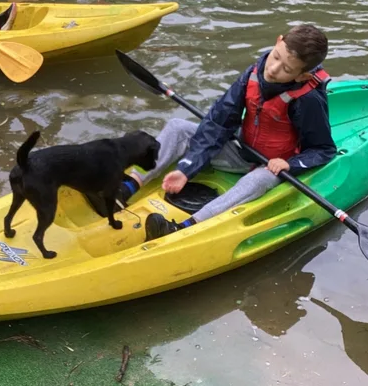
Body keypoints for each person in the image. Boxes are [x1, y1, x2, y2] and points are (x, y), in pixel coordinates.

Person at [118, 24, 337, 241]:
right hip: (242, 150)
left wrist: (290, 164)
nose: (273, 69)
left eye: (287, 70)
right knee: (178, 127)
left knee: (256, 182)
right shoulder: (254, 72)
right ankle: (128, 186)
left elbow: (323, 149)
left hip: (271, 166)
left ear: (303, 76)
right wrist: (187, 168)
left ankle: (185, 227)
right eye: (276, 57)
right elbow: (219, 122)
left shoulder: (308, 100)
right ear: (278, 41)